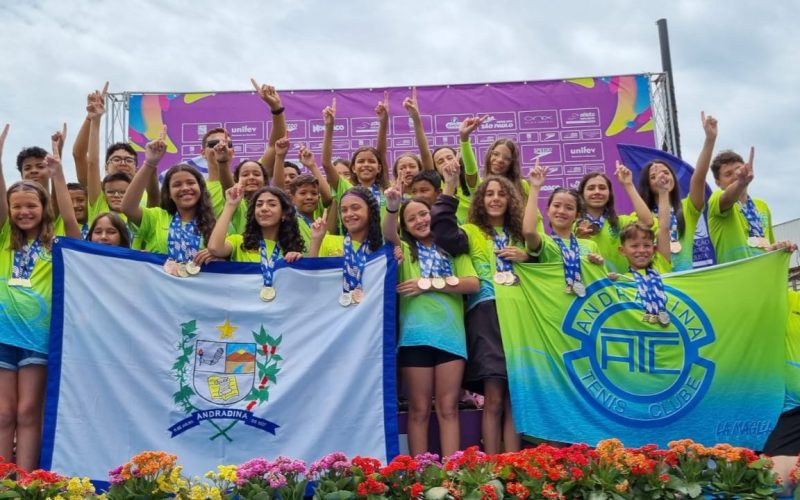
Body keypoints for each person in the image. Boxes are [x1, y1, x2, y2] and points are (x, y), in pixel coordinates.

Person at [432, 164, 528, 454]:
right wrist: (449, 185)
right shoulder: (471, 231)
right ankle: (493, 466)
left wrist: (525, 256)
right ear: (480, 201)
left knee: (516, 398)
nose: (495, 198)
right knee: (495, 396)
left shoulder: (522, 235)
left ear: (512, 200)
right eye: (489, 194)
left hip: (521, 316)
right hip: (486, 314)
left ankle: (513, 465)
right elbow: (444, 233)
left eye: (502, 194)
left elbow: (544, 260)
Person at [0, 123, 80, 471]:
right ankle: (4, 483)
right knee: (3, 413)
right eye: (16, 207)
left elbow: (71, 220)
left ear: (42, 206)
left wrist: (59, 175)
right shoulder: (4, 237)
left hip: (37, 337)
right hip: (3, 334)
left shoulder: (56, 237)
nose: (23, 212)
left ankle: (27, 481)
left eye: (30, 205)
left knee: (29, 410)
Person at [382, 181, 479, 457]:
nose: (419, 220)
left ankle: (451, 473)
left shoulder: (453, 248)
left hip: (451, 337)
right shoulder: (402, 250)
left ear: (434, 216)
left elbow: (472, 283)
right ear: (406, 226)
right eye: (411, 218)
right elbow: (388, 231)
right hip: (414, 339)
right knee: (419, 409)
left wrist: (427, 284)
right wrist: (391, 206)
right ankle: (419, 473)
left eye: (423, 214)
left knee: (448, 408)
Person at [121, 129, 217, 274]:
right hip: (160, 293)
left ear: (201, 188)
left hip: (199, 293)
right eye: (177, 185)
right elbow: (127, 207)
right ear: (169, 194)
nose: (185, 188)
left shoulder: (213, 224)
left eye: (190, 183)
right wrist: (150, 163)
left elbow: (225, 256)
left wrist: (217, 255)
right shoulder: (156, 217)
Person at [636, 112, 718, 271]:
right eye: (654, 176)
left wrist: (710, 139)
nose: (661, 177)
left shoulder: (688, 208)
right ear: (647, 184)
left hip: (687, 280)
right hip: (659, 280)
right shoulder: (641, 216)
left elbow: (698, 178)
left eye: (666, 173)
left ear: (673, 177)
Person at [522, 163, 605, 287]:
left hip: (583, 305)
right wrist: (534, 188)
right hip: (553, 304)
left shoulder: (590, 245)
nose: (561, 211)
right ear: (548, 211)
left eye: (569, 208)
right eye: (556, 206)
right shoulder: (545, 242)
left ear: (577, 215)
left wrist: (599, 266)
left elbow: (601, 280)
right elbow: (528, 231)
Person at [309, 186, 383, 306]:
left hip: (369, 318)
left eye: (355, 208)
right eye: (344, 210)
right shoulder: (327, 241)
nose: (349, 214)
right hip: (333, 315)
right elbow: (311, 277)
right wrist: (316, 240)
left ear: (370, 211)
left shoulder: (381, 248)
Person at [576, 163, 654, 273]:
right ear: (582, 194)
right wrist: (576, 240)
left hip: (622, 285)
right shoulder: (573, 226)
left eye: (602, 188)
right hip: (590, 286)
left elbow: (647, 222)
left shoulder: (621, 223)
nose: (597, 192)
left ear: (609, 194)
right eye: (591, 188)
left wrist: (628, 185)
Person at [706, 147, 775, 264]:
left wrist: (780, 247)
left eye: (739, 170)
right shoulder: (716, 199)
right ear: (718, 183)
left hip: (763, 275)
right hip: (736, 278)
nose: (736, 176)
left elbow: (770, 247)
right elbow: (727, 199)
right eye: (728, 174)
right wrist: (741, 182)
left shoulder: (762, 205)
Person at [431, 115, 485, 222]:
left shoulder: (471, 184)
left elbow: (471, 168)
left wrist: (464, 138)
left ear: (458, 160)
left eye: (450, 158)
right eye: (440, 161)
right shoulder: (436, 190)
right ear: (436, 169)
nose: (446, 163)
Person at [392, 87, 434, 193]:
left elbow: (425, 153)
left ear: (420, 170)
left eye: (412, 166)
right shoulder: (390, 192)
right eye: (402, 168)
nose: (408, 170)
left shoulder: (428, 188)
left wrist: (416, 118)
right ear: (396, 173)